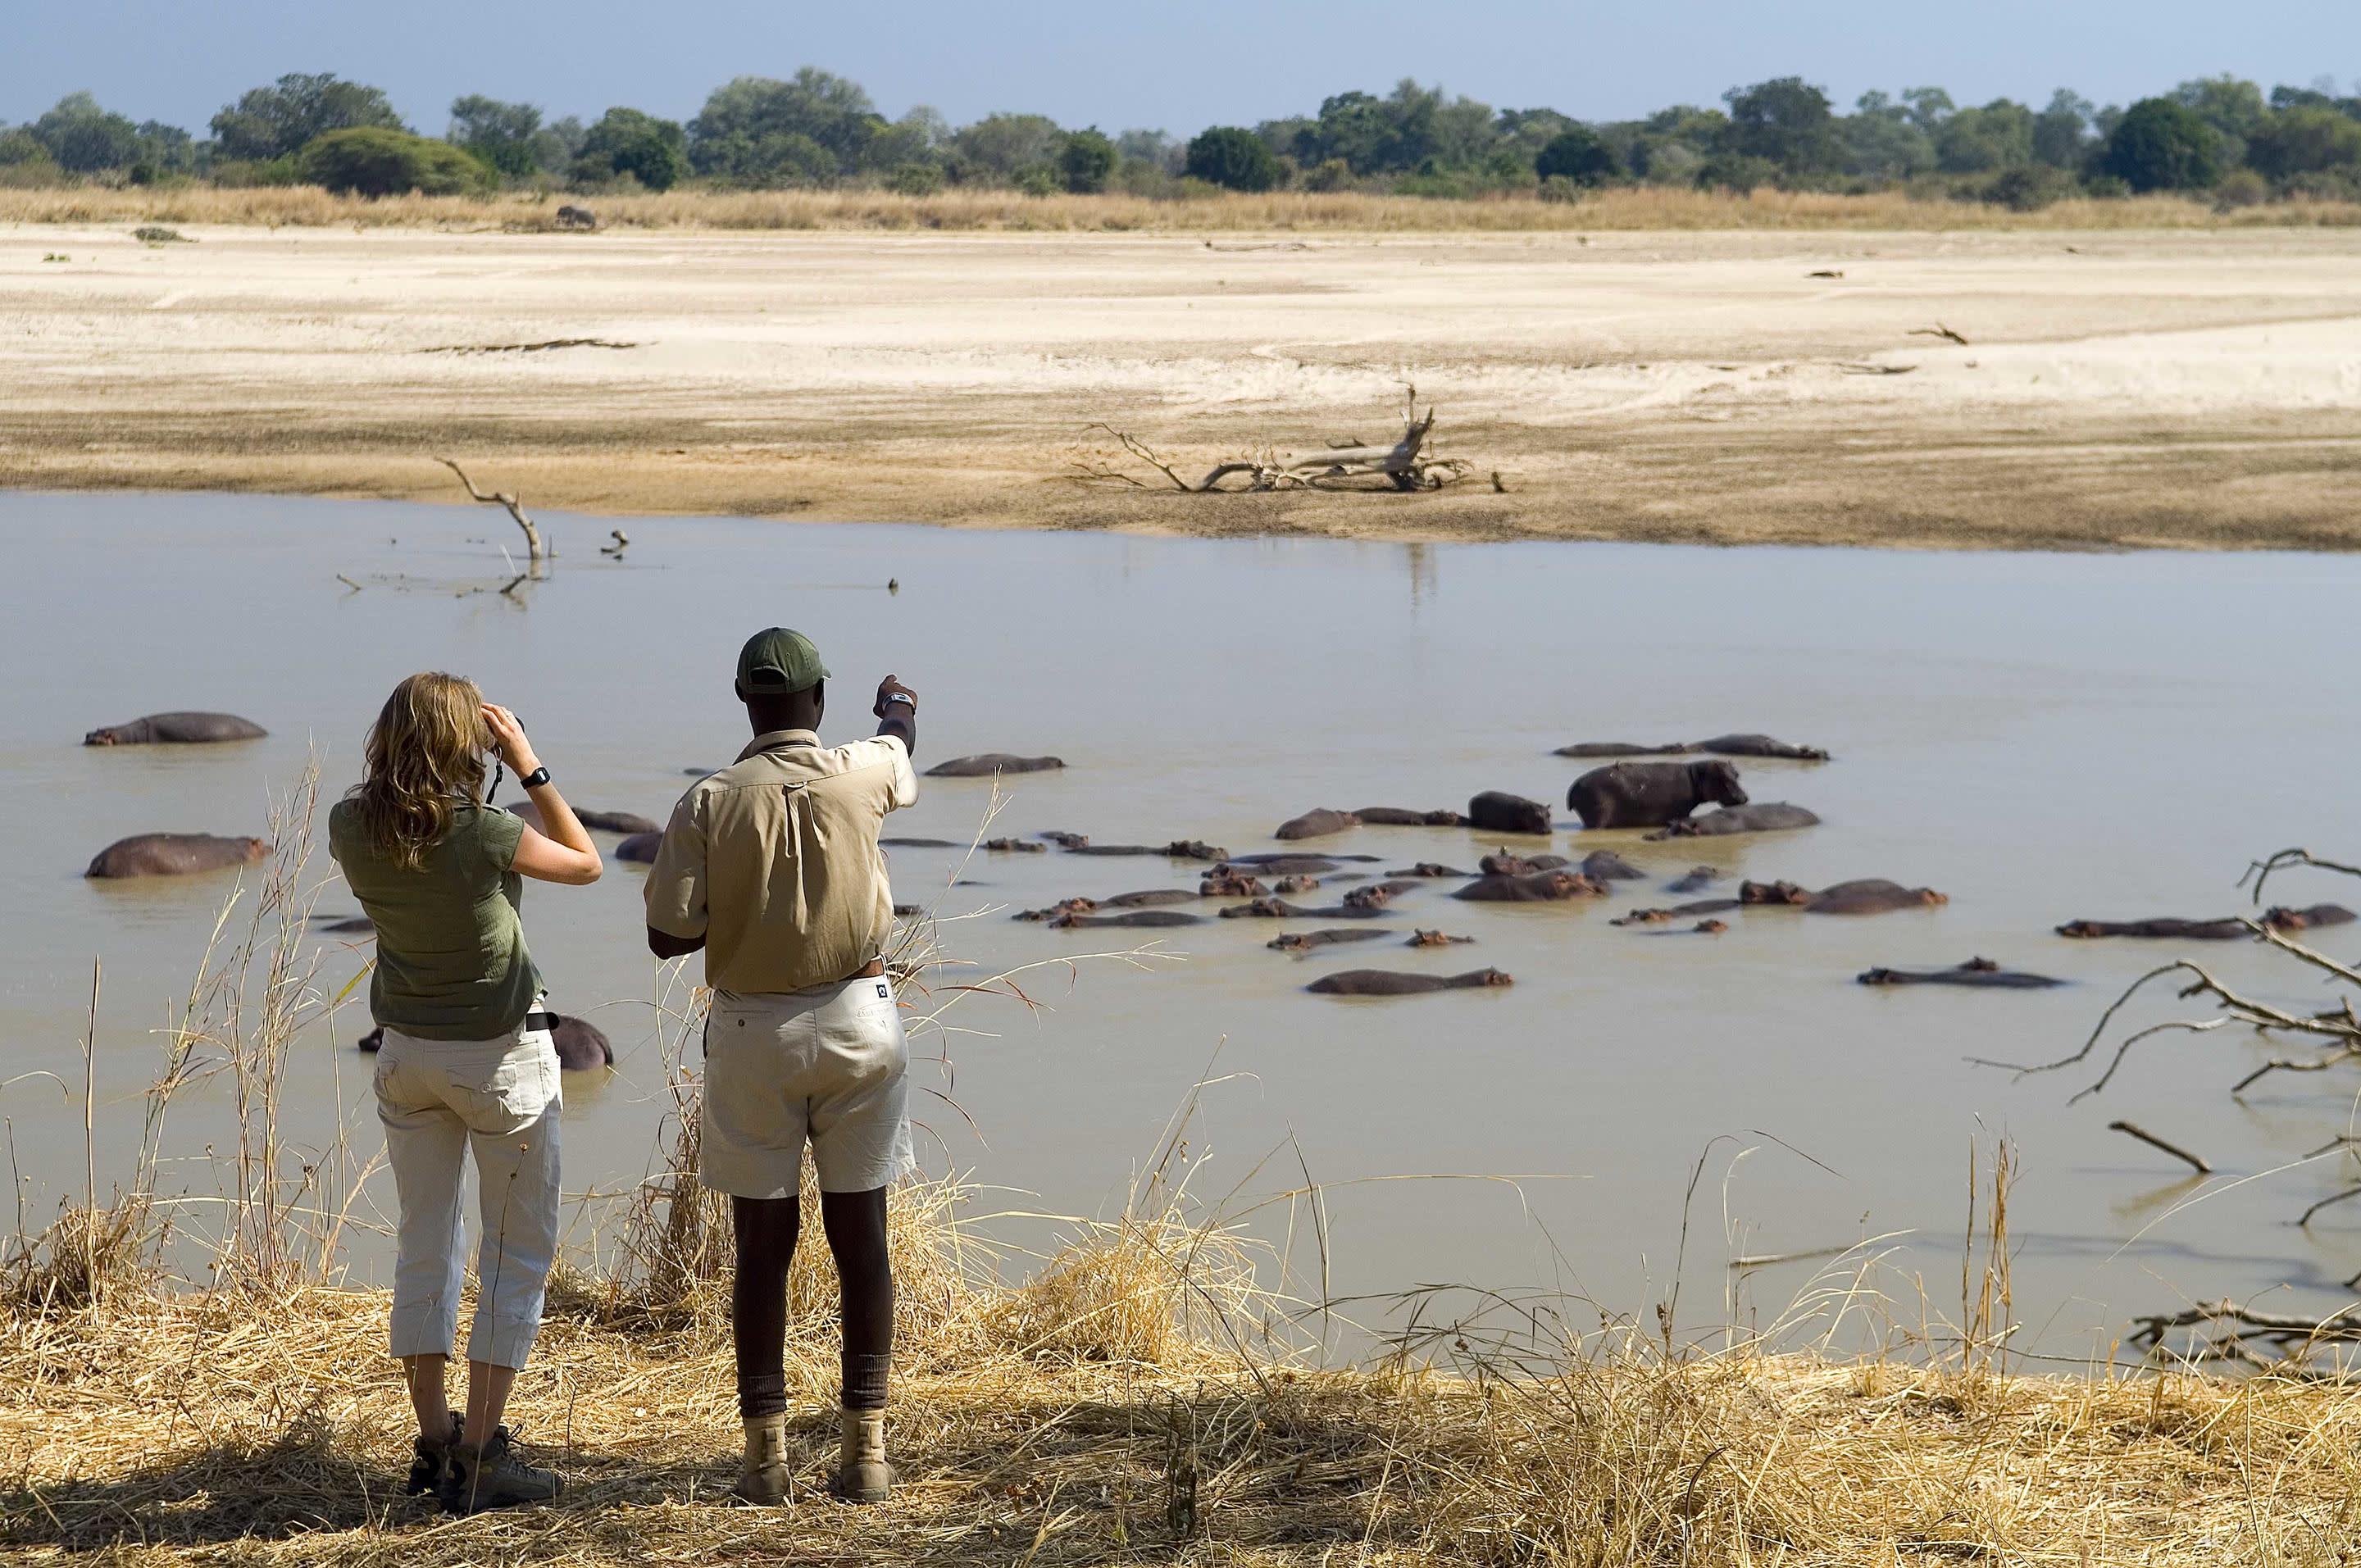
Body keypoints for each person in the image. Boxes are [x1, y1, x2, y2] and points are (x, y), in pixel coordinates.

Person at [643, 628, 920, 1505]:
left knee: (762, 1246)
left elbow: (666, 934)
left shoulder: (709, 800)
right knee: (861, 1237)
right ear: (818, 701)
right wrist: (899, 705)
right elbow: (901, 746)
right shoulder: (859, 769)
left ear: (743, 701)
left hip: (753, 1030)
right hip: (858, 1021)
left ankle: (765, 1461)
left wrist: (740, 898)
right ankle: (865, 1453)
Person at [327, 672, 603, 1513]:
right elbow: (588, 863)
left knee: (425, 1242)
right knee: (512, 1253)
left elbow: (407, 828)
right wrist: (529, 764)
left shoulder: (348, 824)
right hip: (500, 1060)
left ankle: (434, 1441)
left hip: (406, 1054)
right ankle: (481, 1454)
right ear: (468, 746)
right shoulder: (485, 830)